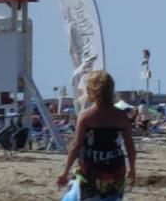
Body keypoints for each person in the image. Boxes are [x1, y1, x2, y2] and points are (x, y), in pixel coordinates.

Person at [57, 71, 136, 201]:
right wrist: (132, 170)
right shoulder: (122, 116)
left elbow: (76, 146)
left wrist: (65, 172)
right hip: (116, 171)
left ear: (90, 92)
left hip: (91, 172)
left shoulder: (86, 116)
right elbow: (130, 146)